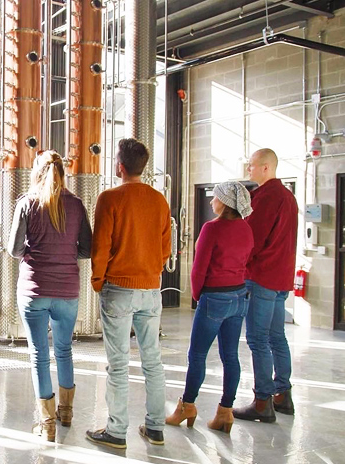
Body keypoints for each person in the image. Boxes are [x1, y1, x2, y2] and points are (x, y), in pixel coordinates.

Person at [86, 138, 171, 449]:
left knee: (119, 363)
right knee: (153, 361)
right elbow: (165, 248)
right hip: (150, 288)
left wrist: (98, 281)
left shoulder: (109, 198)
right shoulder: (159, 200)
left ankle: (116, 431)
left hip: (118, 288)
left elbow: (101, 247)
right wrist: (150, 273)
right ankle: (156, 427)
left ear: (120, 166)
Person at [7, 150, 92, 442]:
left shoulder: (27, 203)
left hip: (34, 289)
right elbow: (87, 248)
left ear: (37, 172)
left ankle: (47, 424)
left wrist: (35, 252)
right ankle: (66, 413)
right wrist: (65, 253)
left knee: (39, 355)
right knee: (64, 350)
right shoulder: (76, 205)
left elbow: (14, 249)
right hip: (67, 290)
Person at [166, 181, 253, 433]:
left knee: (197, 355)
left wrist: (197, 296)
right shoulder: (246, 228)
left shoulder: (211, 228)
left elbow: (199, 268)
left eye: (215, 197)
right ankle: (225, 411)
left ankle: (187, 406)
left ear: (224, 202)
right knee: (231, 356)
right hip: (239, 296)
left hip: (214, 296)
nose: (211, 201)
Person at [233, 148, 298, 422]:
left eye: (251, 165)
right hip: (280, 278)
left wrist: (236, 264)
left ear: (266, 167)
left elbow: (253, 239)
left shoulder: (267, 197)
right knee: (276, 337)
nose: (248, 169)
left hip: (261, 277)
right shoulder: (288, 197)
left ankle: (262, 402)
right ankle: (282, 394)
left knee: (258, 339)